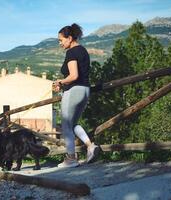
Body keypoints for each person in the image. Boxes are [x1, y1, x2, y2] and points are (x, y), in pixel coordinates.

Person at [53, 23, 100, 168]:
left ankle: (71, 158)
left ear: (70, 38)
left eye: (61, 40)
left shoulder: (72, 52)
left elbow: (73, 75)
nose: (60, 43)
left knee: (66, 125)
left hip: (73, 91)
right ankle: (90, 146)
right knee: (72, 124)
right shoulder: (83, 51)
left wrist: (60, 81)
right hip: (85, 90)